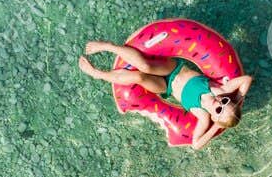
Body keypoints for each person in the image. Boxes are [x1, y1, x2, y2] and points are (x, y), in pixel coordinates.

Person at [78, 40, 253, 148]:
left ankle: (98, 74)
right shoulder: (220, 90)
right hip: (174, 68)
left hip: (164, 87)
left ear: (215, 118)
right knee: (145, 66)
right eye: (224, 102)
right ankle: (108, 46)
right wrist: (236, 100)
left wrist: (216, 127)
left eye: (219, 110)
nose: (219, 104)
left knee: (139, 76)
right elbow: (247, 79)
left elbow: (196, 145)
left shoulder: (204, 117)